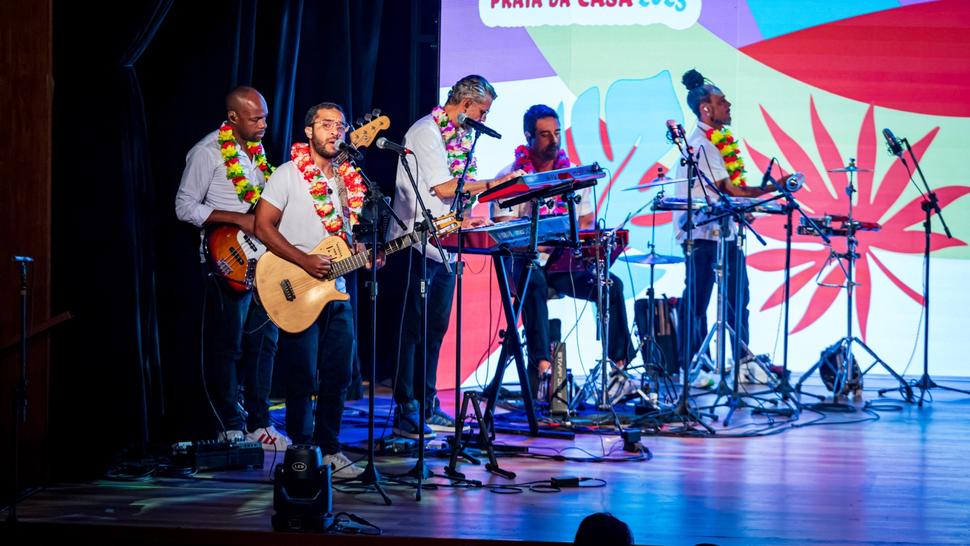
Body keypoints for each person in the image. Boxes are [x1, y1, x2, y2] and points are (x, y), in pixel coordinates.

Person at [385, 74, 524, 439]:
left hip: (446, 243)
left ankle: (428, 403)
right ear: (464, 105)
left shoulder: (461, 136)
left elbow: (459, 194)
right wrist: (496, 184)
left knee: (436, 330)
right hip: (415, 242)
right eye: (483, 111)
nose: (485, 119)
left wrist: (471, 214)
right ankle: (407, 409)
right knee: (413, 330)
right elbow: (444, 188)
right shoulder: (427, 133)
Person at [254, 101, 374, 478]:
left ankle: (331, 450)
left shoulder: (347, 180)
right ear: (309, 131)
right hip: (296, 285)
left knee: (337, 373)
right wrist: (304, 260)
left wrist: (361, 252)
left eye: (340, 126)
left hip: (336, 288)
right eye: (326, 124)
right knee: (302, 375)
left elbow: (342, 238)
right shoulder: (288, 174)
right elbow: (263, 226)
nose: (335, 132)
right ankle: (302, 454)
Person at [491, 104, 636, 399]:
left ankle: (619, 368)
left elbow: (584, 221)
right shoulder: (510, 177)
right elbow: (504, 231)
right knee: (534, 282)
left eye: (557, 133)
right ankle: (543, 367)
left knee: (611, 284)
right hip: (525, 260)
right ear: (528, 137)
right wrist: (539, 240)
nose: (554, 140)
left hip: (561, 263)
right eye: (545, 135)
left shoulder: (570, 177)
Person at [175, 86, 286, 451]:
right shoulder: (208, 152)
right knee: (228, 346)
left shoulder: (256, 151)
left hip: (262, 262)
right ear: (233, 118)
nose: (264, 124)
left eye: (266, 116)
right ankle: (228, 424)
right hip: (227, 261)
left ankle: (259, 422)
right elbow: (184, 206)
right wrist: (238, 218)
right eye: (256, 118)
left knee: (264, 343)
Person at [674, 69, 774, 384]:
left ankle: (742, 361)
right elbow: (731, 190)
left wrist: (744, 210)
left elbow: (728, 193)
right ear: (706, 109)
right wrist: (775, 187)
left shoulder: (718, 141)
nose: (728, 104)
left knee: (737, 298)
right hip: (703, 235)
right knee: (699, 301)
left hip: (725, 232)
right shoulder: (702, 144)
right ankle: (693, 365)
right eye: (721, 101)